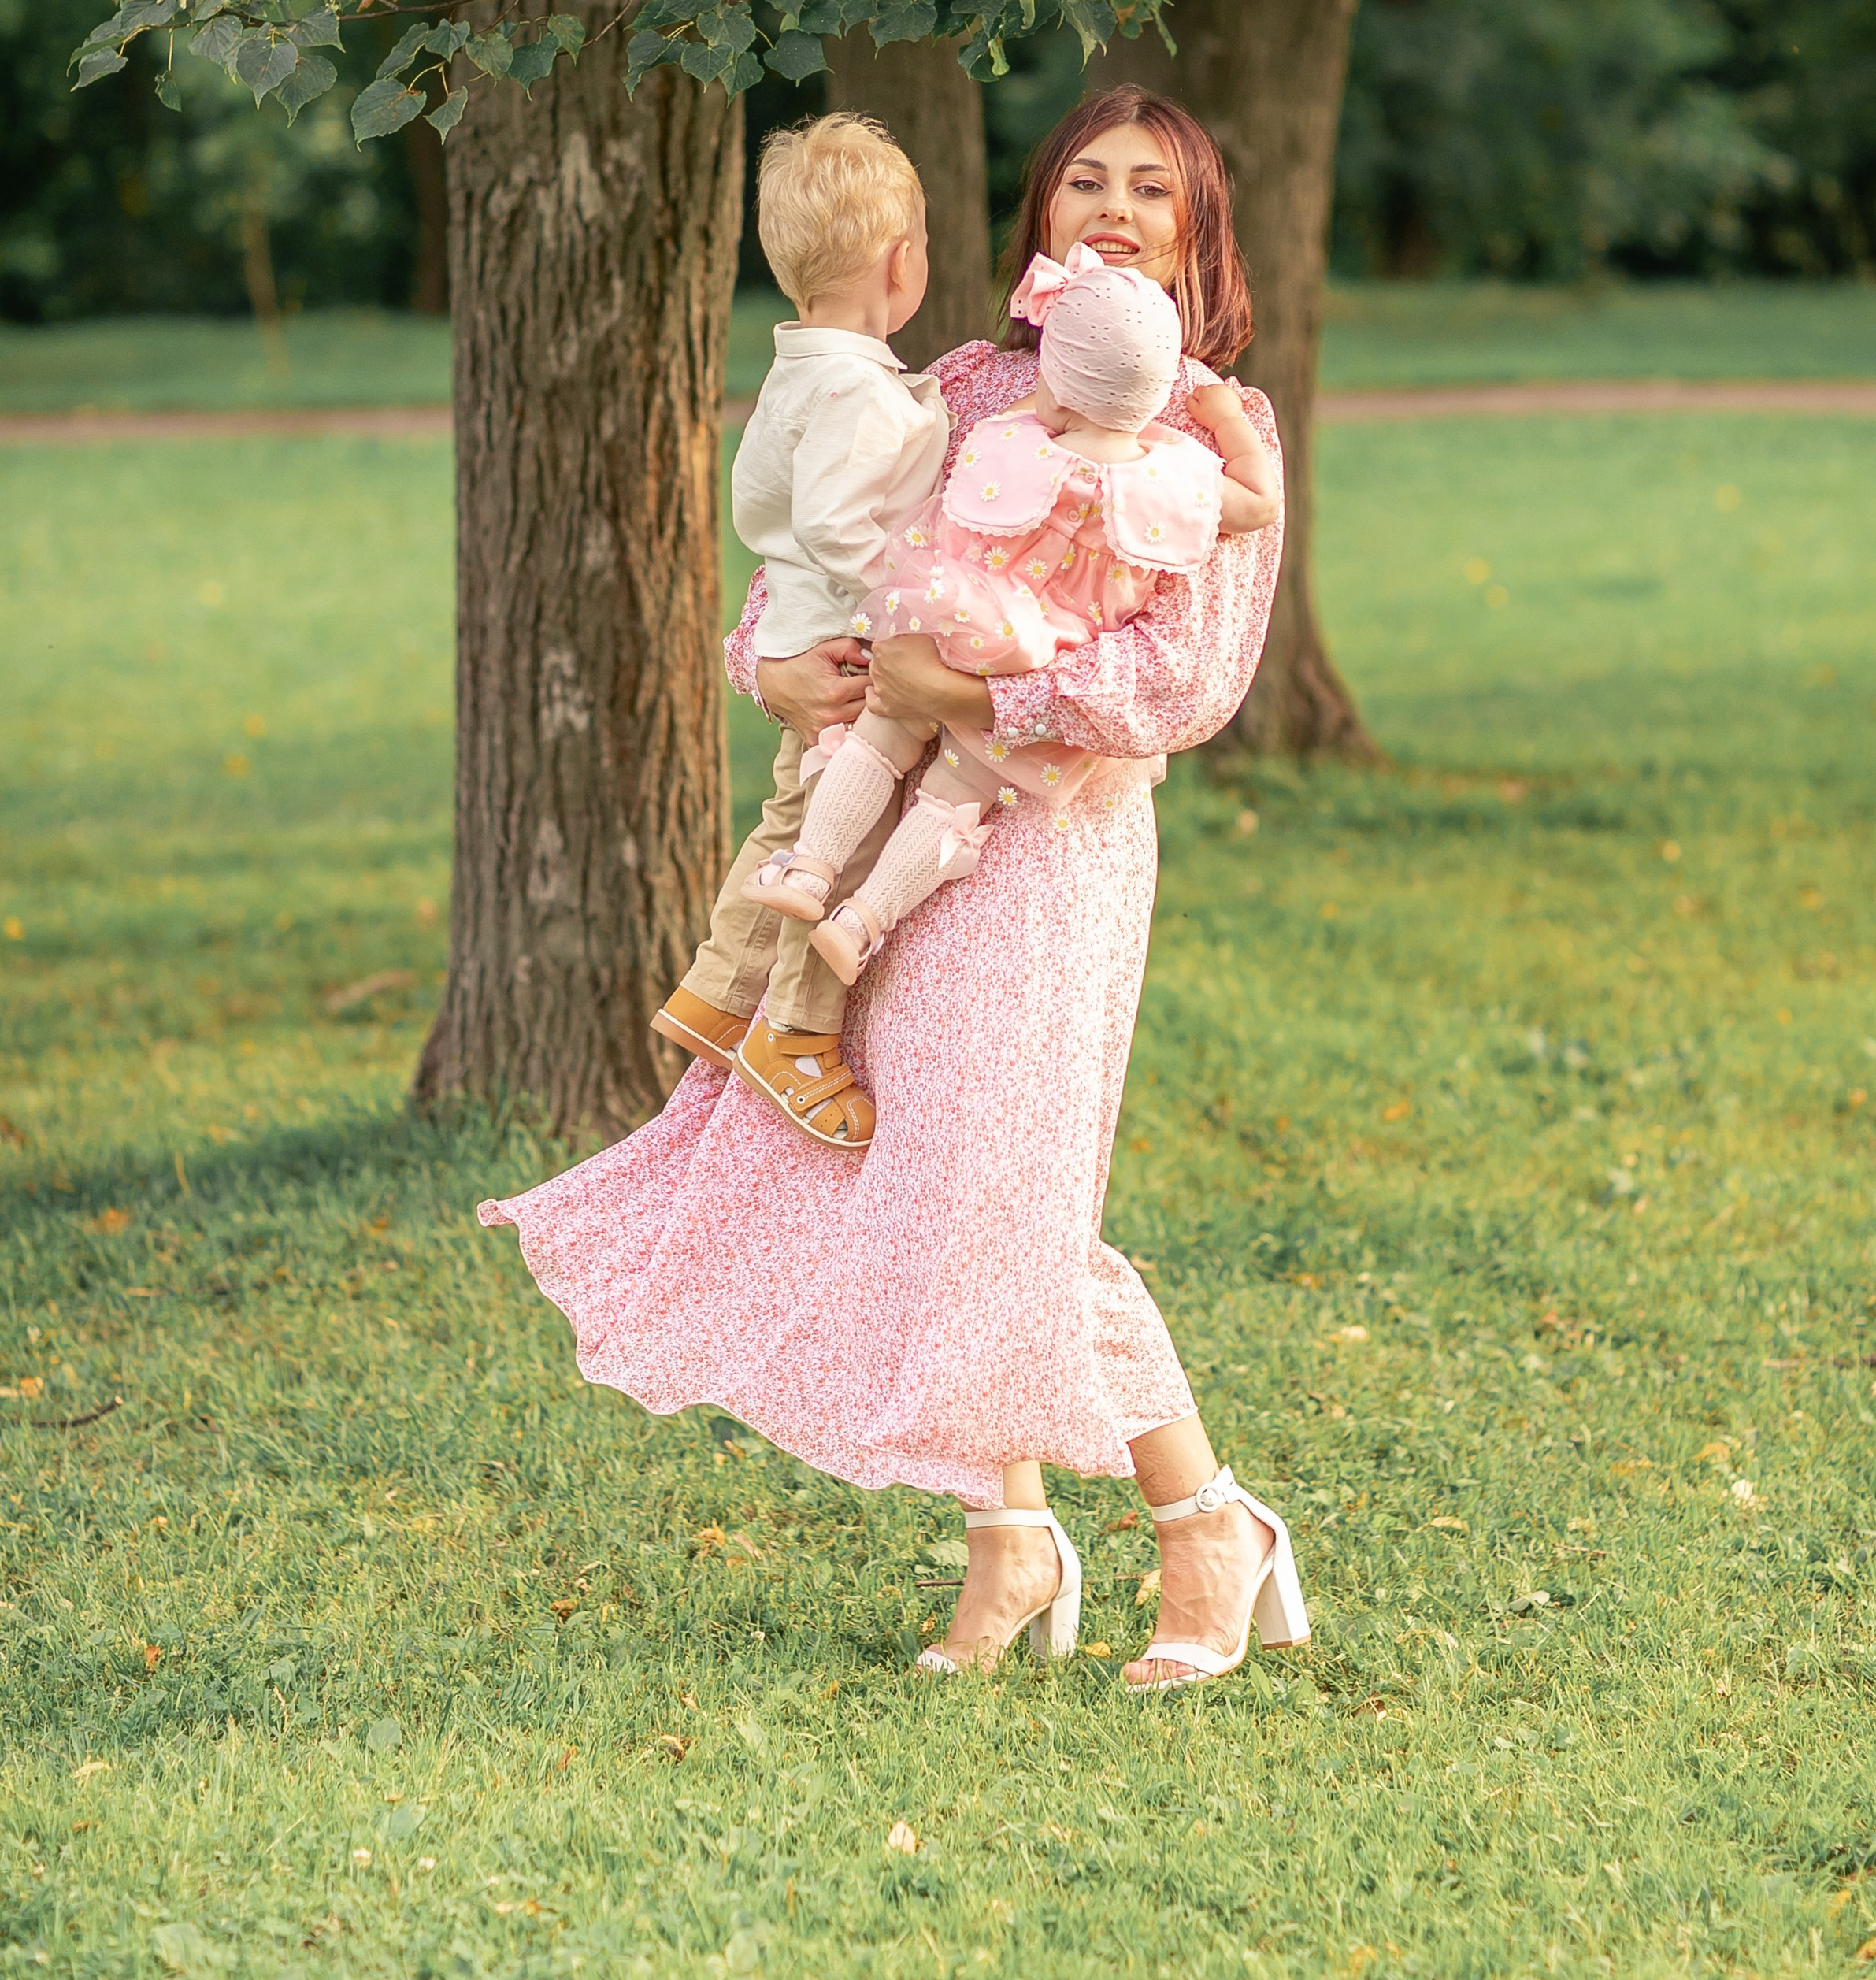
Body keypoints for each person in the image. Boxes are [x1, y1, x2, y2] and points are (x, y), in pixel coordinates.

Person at [480, 85, 1306, 1689]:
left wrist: (980, 703)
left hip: (1048, 845)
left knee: (1009, 1200)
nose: (1115, 208)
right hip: (890, 846)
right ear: (1039, 221)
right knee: (935, 1181)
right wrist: (773, 668)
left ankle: (1207, 1525)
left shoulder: (1213, 429)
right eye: (1086, 182)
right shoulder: (965, 386)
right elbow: (841, 566)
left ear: (1198, 235)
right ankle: (1008, 1544)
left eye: (1152, 189)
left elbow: (1186, 677)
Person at [750, 239, 1280, 996]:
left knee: (880, 737)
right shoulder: (1182, 481)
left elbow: (951, 507)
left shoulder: (1010, 437)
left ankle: (809, 869)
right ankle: (859, 923)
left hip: (957, 625)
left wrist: (1050, 403)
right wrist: (1225, 419)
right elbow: (1258, 503)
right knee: (955, 797)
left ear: (1056, 382)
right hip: (1035, 660)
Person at [649, 113, 947, 1149]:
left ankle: (716, 992)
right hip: (851, 658)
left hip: (807, 630)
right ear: (898, 262)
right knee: (840, 847)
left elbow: (765, 506)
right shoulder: (858, 392)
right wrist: (902, 603)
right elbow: (830, 521)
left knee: (788, 829)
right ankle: (796, 1031)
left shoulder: (796, 373)